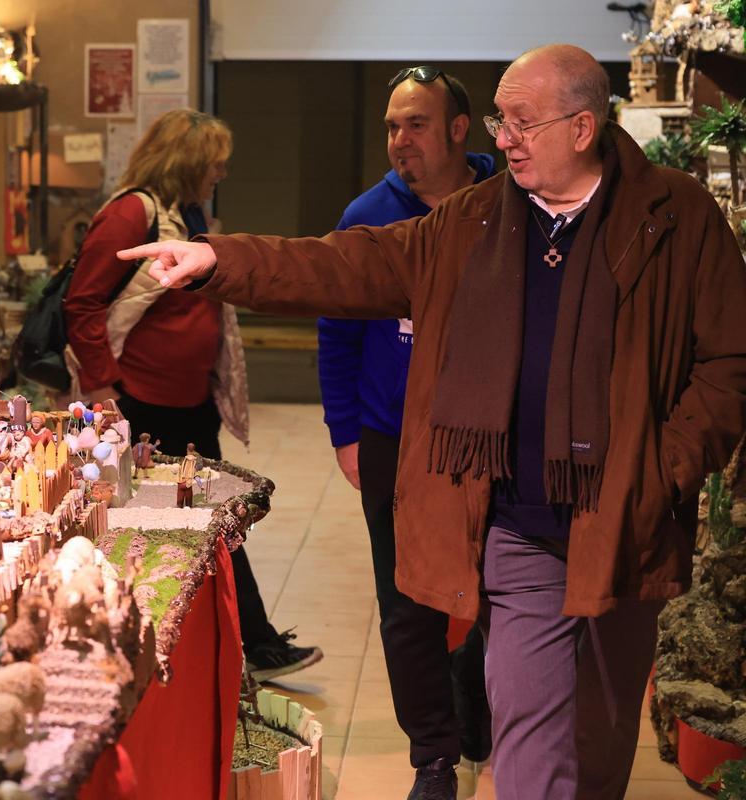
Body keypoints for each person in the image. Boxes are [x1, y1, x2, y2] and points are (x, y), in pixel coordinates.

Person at [121, 43, 746, 800]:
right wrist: (216, 260)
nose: (502, 139)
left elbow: (729, 360)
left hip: (626, 521)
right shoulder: (471, 220)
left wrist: (665, 468)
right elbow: (342, 265)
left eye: (520, 123)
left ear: (582, 128)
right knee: (526, 737)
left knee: (601, 739)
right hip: (517, 527)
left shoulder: (676, 216)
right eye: (497, 121)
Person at [65, 108, 323, 682]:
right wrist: (104, 389)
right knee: (159, 529)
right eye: (215, 163)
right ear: (186, 162)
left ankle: (247, 644)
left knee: (217, 520)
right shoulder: (131, 213)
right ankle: (233, 645)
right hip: (138, 403)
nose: (222, 173)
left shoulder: (190, 214)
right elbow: (81, 303)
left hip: (188, 403)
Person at [318, 67, 494, 797]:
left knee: (499, 586)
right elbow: (337, 328)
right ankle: (433, 757)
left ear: (458, 128)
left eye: (416, 124)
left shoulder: (507, 200)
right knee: (406, 600)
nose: (400, 140)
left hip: (490, 435)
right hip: (394, 435)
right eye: (392, 126)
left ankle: (472, 688)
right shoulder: (368, 215)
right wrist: (346, 432)